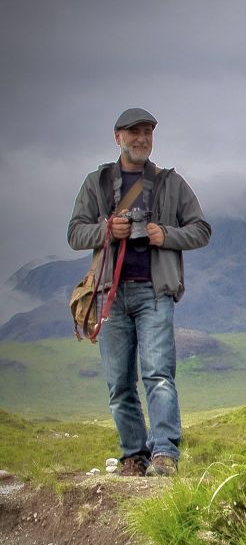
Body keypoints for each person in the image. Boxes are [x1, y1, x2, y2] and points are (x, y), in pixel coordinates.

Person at [67, 108, 212, 476]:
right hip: (109, 294)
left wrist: (165, 235)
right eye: (134, 132)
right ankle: (134, 455)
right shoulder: (97, 183)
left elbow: (201, 229)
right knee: (119, 384)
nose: (142, 138)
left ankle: (164, 454)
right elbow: (74, 233)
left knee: (159, 375)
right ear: (118, 137)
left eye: (147, 131)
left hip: (155, 292)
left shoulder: (169, 183)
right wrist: (106, 229)